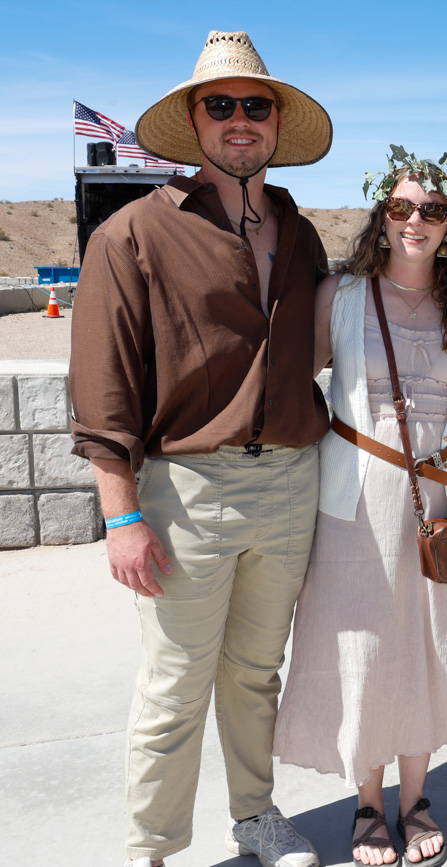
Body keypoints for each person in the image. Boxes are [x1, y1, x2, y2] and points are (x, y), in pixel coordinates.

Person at [68, 30, 332, 867]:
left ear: (276, 123)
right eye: (221, 105)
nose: (240, 120)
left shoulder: (299, 231)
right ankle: (151, 847)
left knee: (257, 673)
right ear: (195, 120)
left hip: (292, 482)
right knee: (175, 685)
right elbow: (104, 388)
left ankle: (254, 817)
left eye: (256, 106)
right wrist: (121, 516)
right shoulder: (133, 236)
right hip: (186, 492)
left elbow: (328, 347)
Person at [273, 148, 447, 867]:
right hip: (356, 499)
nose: (416, 220)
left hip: (443, 494)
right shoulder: (339, 294)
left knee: (434, 641)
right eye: (402, 207)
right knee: (364, 647)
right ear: (383, 217)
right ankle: (368, 805)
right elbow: (300, 380)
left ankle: (416, 799)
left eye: (432, 211)